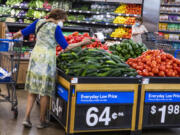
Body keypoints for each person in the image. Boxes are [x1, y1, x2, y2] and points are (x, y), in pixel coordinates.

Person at [13, 9, 92, 129]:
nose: (62, 23)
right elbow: (66, 47)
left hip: (35, 58)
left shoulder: (38, 22)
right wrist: (82, 43)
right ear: (59, 18)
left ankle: (26, 118)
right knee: (45, 92)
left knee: (33, 90)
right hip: (47, 61)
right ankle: (42, 121)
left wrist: (15, 35)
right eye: (63, 20)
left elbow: (22, 32)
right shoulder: (56, 28)